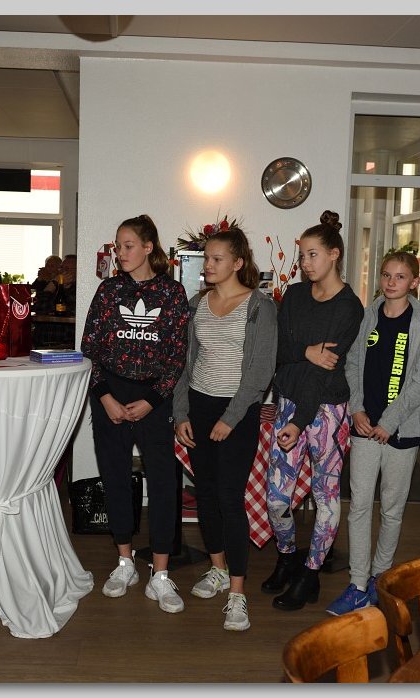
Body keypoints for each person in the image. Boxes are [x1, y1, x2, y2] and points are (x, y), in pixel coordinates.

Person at [80, 214, 190, 614]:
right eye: (117, 246)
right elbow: (89, 348)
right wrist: (105, 397)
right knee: (115, 477)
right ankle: (124, 561)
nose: (120, 253)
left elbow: (178, 355)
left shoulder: (172, 293)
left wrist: (153, 400)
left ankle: (160, 573)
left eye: (128, 246)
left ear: (148, 247)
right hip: (109, 393)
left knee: (162, 481)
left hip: (153, 397)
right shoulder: (109, 291)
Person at [324, 251, 420, 616]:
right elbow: (353, 363)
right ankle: (357, 583)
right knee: (359, 506)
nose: (391, 282)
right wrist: (357, 409)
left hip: (400, 431)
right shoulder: (367, 316)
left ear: (414, 282)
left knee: (391, 509)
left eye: (400, 276)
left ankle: (380, 578)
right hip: (364, 426)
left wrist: (389, 422)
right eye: (386, 275)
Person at [173, 229, 277, 631]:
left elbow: (260, 372)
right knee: (206, 494)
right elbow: (184, 364)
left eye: (217, 259)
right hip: (198, 408)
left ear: (238, 263)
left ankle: (237, 592)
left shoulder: (260, 307)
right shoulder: (196, 303)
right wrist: (181, 412)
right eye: (207, 258)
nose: (209, 265)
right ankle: (217, 568)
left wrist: (230, 419)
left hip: (239, 412)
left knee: (231, 499)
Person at [262, 210, 364, 612]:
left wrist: (301, 420)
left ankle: (310, 572)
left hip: (327, 413)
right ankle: (287, 556)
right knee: (276, 498)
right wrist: (305, 352)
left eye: (312, 254)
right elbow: (277, 351)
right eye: (302, 255)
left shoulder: (348, 307)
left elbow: (326, 372)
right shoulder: (294, 296)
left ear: (334, 254)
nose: (304, 263)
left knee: (326, 496)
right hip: (288, 404)